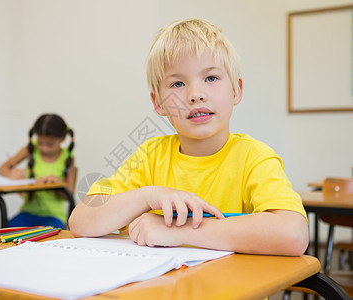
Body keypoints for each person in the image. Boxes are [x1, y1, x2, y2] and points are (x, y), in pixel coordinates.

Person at [69, 18, 309, 256]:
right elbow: (81, 220)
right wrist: (148, 195)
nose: (195, 95)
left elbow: (294, 235)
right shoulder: (150, 156)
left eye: (211, 78)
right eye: (178, 83)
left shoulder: (253, 158)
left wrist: (179, 232)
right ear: (159, 103)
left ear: (236, 89)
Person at [0, 113, 75, 229]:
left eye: (50, 144)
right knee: (8, 229)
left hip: (54, 217)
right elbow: (2, 168)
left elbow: (69, 195)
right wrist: (12, 174)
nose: (44, 148)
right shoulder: (31, 149)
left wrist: (57, 183)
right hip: (27, 214)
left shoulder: (67, 157)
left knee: (46, 236)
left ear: (63, 139)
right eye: (40, 143)